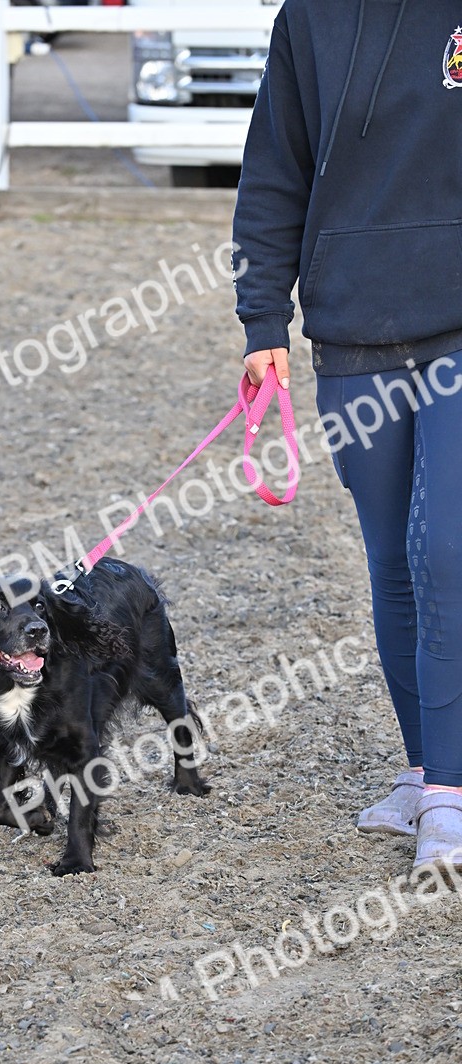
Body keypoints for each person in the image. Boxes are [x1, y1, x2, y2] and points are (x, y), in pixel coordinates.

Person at [232, 0, 462, 870]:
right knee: (393, 564)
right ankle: (425, 769)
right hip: (352, 333)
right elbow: (273, 174)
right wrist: (262, 325)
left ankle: (452, 788)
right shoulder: (308, 21)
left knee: (447, 551)